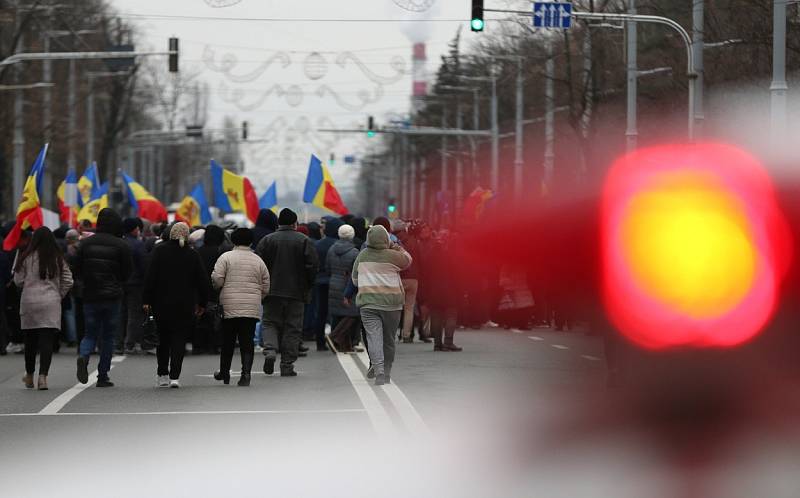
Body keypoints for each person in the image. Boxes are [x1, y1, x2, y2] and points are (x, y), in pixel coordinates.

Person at [143, 222, 209, 388]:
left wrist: (146, 299)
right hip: (185, 304)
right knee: (179, 339)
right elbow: (202, 281)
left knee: (163, 339)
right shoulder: (192, 254)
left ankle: (162, 374)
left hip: (161, 303)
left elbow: (150, 277)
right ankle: (175, 376)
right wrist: (202, 303)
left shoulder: (159, 251)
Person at [256, 208, 318, 377]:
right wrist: (308, 285)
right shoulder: (304, 240)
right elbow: (312, 267)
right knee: (292, 327)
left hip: (271, 291)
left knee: (269, 322)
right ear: (294, 223)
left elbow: (258, 266)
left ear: (279, 223)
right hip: (296, 292)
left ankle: (270, 350)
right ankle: (287, 364)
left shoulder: (266, 240)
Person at [74, 208, 132, 388]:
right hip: (112, 296)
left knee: (90, 333)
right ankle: (102, 375)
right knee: (108, 336)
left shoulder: (85, 244)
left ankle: (84, 355)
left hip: (90, 294)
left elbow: (76, 268)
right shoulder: (121, 245)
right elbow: (127, 272)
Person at [13, 227, 73, 390]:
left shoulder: (25, 256)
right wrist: (57, 294)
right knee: (47, 341)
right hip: (50, 302)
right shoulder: (57, 257)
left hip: (29, 301)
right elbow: (68, 280)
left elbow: (18, 281)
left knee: (30, 341)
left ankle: (29, 375)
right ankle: (43, 377)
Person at [352, 225, 412, 386]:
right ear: (386, 238)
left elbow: (355, 280)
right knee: (389, 340)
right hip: (392, 304)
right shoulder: (393, 256)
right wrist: (394, 246)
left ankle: (378, 370)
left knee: (373, 338)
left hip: (368, 303)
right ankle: (386, 371)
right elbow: (408, 259)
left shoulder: (362, 255)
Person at [211, 228, 270, 386]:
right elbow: (266, 285)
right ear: (251, 241)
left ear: (233, 241)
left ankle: (224, 373)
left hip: (229, 304)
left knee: (228, 340)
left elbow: (217, 280)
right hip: (251, 306)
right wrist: (257, 297)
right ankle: (246, 375)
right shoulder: (258, 260)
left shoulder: (225, 257)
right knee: (247, 341)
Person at [119, 217, 152, 355]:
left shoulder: (119, 242)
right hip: (135, 284)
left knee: (120, 313)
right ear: (134, 229)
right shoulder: (138, 245)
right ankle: (130, 342)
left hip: (119, 283)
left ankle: (118, 342)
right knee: (134, 314)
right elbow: (144, 266)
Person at [326, 224, 361, 352]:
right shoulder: (354, 252)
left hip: (333, 283)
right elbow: (356, 272)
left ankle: (345, 345)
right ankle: (334, 336)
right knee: (353, 313)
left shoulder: (331, 249)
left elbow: (327, 268)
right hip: (348, 285)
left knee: (341, 314)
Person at [312, 217, 343, 351]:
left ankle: (320, 342)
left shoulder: (317, 244)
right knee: (336, 311)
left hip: (319, 281)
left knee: (321, 312)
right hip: (335, 281)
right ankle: (335, 339)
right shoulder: (338, 245)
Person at [196, 225, 227, 354]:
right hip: (216, 289)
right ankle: (215, 344)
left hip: (200, 288)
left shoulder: (197, 251)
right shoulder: (220, 252)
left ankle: (199, 345)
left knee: (201, 317)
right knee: (216, 317)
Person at [395, 220, 423, 343]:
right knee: (409, 308)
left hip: (400, 277)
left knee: (395, 307)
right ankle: (407, 335)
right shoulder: (414, 242)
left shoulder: (396, 243)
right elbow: (421, 260)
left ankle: (395, 332)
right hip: (413, 278)